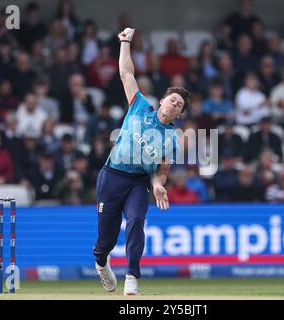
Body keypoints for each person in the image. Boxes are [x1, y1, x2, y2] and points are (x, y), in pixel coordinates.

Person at [92, 28, 189, 296]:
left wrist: (158, 185)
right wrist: (125, 42)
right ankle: (101, 264)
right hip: (112, 176)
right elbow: (126, 74)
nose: (173, 105)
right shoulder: (139, 106)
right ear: (161, 101)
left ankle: (132, 276)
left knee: (136, 220)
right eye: (172, 99)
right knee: (105, 242)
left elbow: (162, 172)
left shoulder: (171, 139)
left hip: (138, 183)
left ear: (179, 114)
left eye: (178, 104)